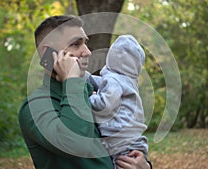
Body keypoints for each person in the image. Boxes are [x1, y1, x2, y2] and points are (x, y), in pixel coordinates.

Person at [18, 15, 152, 169]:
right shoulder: (34, 107)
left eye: (85, 43)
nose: (87, 52)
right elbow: (75, 143)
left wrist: (144, 166)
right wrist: (72, 82)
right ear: (48, 53)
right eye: (75, 44)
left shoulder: (97, 92)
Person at [89, 35, 148, 168]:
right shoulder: (128, 81)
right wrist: (85, 77)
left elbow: (105, 105)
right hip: (135, 141)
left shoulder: (114, 81)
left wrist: (91, 98)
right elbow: (99, 82)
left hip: (121, 143)